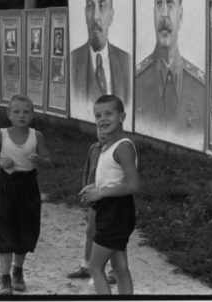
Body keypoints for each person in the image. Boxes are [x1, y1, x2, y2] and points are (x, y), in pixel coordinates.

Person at [0, 95, 51, 295]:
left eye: (26, 111)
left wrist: (38, 159)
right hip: (5, 187)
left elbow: (48, 160)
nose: (21, 115)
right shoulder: (2, 134)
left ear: (33, 114)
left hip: (27, 187)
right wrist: (0, 161)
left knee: (25, 230)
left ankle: (18, 272)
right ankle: (5, 278)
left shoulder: (36, 136)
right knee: (3, 229)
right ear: (9, 114)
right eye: (16, 111)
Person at [135, 0, 205, 137]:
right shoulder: (136, 83)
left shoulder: (201, 89)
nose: (164, 13)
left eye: (170, 2)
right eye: (159, 3)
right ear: (153, 12)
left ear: (180, 15)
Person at [79, 94, 139, 295]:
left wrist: (101, 193)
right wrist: (95, 187)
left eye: (108, 113)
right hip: (112, 210)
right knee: (120, 267)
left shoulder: (123, 146)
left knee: (95, 267)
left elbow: (132, 185)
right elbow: (114, 178)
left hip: (117, 211)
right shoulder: (106, 145)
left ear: (122, 116)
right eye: (98, 115)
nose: (102, 119)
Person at [70, 0, 131, 114]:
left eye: (102, 6)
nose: (96, 16)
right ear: (85, 13)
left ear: (111, 15)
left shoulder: (126, 62)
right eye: (91, 6)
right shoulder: (72, 62)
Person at [66, 126, 116, 284]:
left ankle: (114, 271)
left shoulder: (119, 150)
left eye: (107, 129)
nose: (102, 133)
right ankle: (87, 266)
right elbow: (88, 171)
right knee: (91, 231)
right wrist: (85, 190)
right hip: (94, 198)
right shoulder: (94, 149)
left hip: (112, 199)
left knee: (111, 234)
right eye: (99, 128)